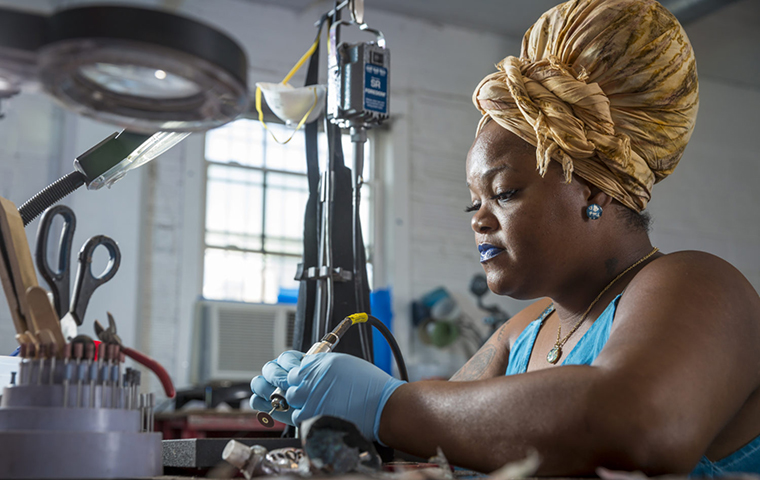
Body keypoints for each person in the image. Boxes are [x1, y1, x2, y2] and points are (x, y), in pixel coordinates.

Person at [250, 0, 760, 476]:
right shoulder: (523, 333)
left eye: (505, 192)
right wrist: (325, 400)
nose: (479, 220)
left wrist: (384, 403)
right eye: (475, 203)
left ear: (589, 185)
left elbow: (642, 421)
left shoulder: (699, 282)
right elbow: (433, 435)